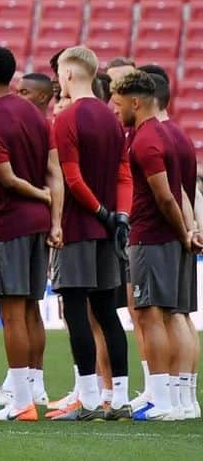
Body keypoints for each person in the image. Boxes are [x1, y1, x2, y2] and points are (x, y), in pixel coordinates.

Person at [0, 46, 61, 422]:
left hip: (8, 223)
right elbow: (54, 170)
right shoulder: (37, 115)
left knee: (11, 315)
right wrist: (55, 218)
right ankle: (35, 388)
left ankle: (20, 401)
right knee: (30, 309)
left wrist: (40, 195)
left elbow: (5, 178)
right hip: (40, 223)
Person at [46, 45, 132, 421]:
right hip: (110, 228)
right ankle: (122, 397)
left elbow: (71, 176)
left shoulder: (66, 119)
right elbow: (123, 173)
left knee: (76, 310)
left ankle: (90, 398)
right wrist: (121, 215)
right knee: (107, 312)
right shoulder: (112, 118)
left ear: (67, 75)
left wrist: (98, 210)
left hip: (78, 227)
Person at [110, 69, 199, 421]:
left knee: (150, 317)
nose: (115, 111)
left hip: (151, 237)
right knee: (171, 315)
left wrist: (182, 233)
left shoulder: (146, 140)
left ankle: (162, 400)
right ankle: (177, 400)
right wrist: (187, 232)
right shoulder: (166, 134)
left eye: (118, 104)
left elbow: (164, 198)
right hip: (169, 237)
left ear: (135, 102)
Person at [151, 72, 202, 419]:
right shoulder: (181, 136)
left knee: (163, 315)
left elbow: (171, 194)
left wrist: (187, 228)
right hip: (181, 232)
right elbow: (188, 189)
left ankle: (169, 399)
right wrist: (194, 225)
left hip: (161, 235)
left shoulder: (156, 138)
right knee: (181, 315)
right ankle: (186, 397)